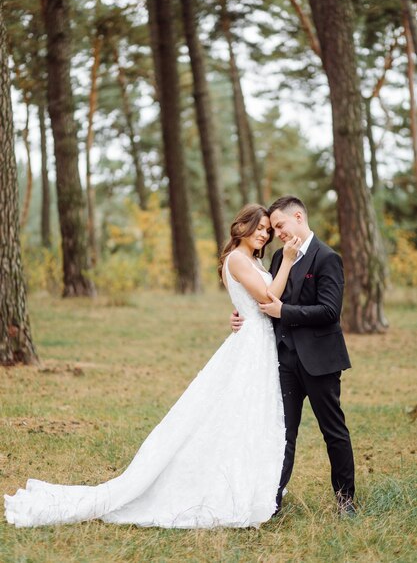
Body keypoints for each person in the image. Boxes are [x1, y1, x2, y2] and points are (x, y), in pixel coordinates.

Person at [4, 204, 301, 529]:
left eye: (267, 230)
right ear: (242, 226)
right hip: (249, 348)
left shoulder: (254, 260)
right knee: (228, 417)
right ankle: (214, 490)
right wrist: (287, 260)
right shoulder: (237, 259)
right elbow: (267, 298)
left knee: (248, 418)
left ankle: (251, 486)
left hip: (258, 346)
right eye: (258, 227)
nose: (264, 234)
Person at [231, 196, 356, 517]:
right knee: (283, 434)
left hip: (320, 360)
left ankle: (346, 501)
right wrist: (242, 315)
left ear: (298, 217)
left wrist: (284, 311)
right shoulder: (277, 258)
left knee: (334, 431)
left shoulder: (327, 257)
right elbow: (267, 297)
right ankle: (272, 502)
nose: (278, 233)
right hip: (283, 361)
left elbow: (330, 311)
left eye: (280, 226)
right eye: (273, 229)